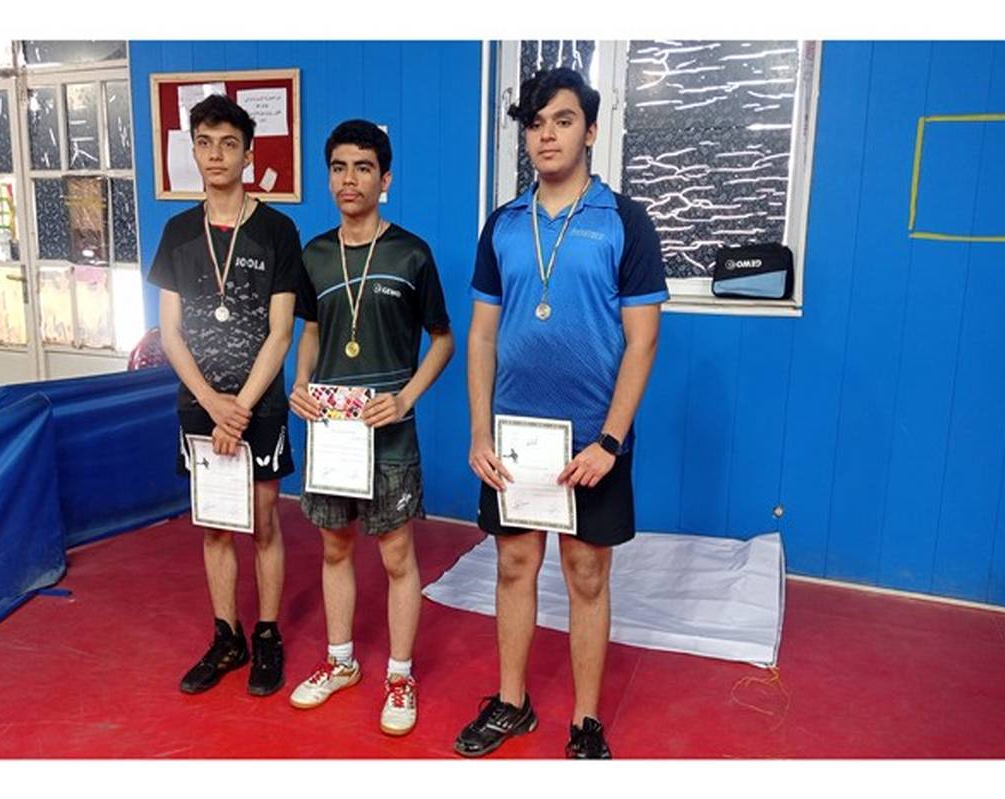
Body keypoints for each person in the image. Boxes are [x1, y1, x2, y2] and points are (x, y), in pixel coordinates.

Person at [454, 68, 668, 759]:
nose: (547, 135)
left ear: (591, 131)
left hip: (591, 441)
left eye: (563, 120)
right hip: (516, 437)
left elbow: (643, 341)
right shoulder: (503, 224)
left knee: (586, 574)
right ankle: (511, 703)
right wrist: (480, 431)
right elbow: (482, 336)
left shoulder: (624, 222)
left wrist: (610, 439)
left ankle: (585, 719)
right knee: (514, 565)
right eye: (536, 123)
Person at [288, 120, 454, 737]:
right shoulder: (314, 254)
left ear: (385, 179)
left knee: (396, 554)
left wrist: (405, 398)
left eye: (362, 168)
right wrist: (300, 382)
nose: (349, 180)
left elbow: (443, 340)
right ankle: (341, 662)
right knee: (334, 547)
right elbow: (311, 332)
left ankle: (400, 675)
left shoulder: (412, 253)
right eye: (338, 168)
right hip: (331, 430)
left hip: (388, 433)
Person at [147, 94, 303, 699]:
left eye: (228, 144)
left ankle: (266, 634)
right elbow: (170, 332)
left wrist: (239, 408)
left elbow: (281, 332)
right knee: (215, 525)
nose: (216, 155)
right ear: (193, 151)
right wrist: (213, 403)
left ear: (248, 154)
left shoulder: (277, 230)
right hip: (199, 405)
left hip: (259, 405)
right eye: (205, 144)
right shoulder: (177, 232)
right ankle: (226, 635)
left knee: (263, 521)